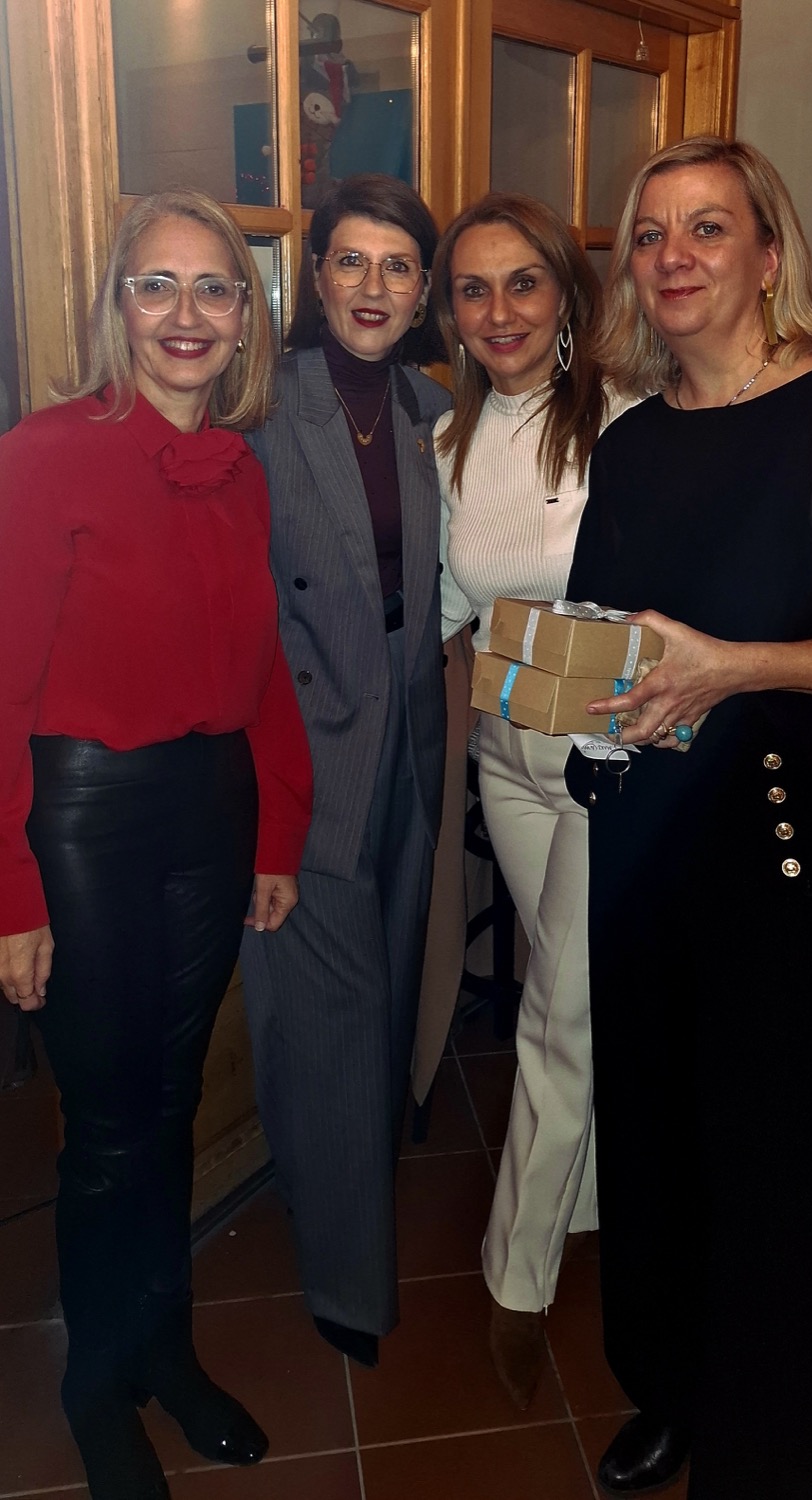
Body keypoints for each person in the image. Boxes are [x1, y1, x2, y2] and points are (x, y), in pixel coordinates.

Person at [564, 136, 812, 1499]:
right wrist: (568, 696)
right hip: (648, 848)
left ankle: (782, 1455)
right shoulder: (631, 444)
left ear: (767, 254)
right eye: (650, 234)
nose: (674, 256)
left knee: (776, 1172)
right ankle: (675, 1389)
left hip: (790, 863)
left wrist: (733, 667)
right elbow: (597, 630)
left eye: (707, 228)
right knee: (654, 1142)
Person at [0, 188, 313, 1500]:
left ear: (248, 316)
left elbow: (263, 670)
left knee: (173, 1102)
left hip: (210, 805)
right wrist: (12, 889)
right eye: (157, 285)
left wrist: (278, 828)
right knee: (109, 1124)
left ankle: (163, 1350)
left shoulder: (240, 468)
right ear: (117, 307)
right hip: (83, 818)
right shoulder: (44, 455)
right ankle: (96, 1384)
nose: (187, 314)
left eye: (214, 287)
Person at [239, 174, 451, 1369]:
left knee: (384, 990)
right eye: (351, 262)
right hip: (305, 747)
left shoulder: (433, 406)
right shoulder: (263, 408)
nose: (374, 286)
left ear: (422, 293)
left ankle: (331, 1186)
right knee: (333, 1014)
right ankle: (347, 1284)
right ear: (315, 278)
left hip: (410, 742)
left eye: (398, 266)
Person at [431, 192, 623, 1409]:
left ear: (564, 295)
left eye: (523, 283)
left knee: (558, 1014)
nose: (499, 311)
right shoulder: (448, 443)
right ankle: (586, 1195)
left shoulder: (625, 421)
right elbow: (451, 605)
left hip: (608, 761)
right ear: (450, 312)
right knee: (567, 988)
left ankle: (516, 1275)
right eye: (473, 288)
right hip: (503, 758)